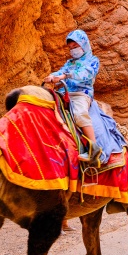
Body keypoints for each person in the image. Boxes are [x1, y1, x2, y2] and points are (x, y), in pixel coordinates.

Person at [45, 30, 100, 161]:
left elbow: (85, 74)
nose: (73, 50)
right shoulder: (70, 63)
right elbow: (61, 71)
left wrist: (65, 76)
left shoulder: (93, 61)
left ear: (84, 45)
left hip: (81, 94)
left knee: (79, 113)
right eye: (70, 48)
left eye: (75, 47)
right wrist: (53, 76)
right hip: (65, 92)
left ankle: (94, 149)